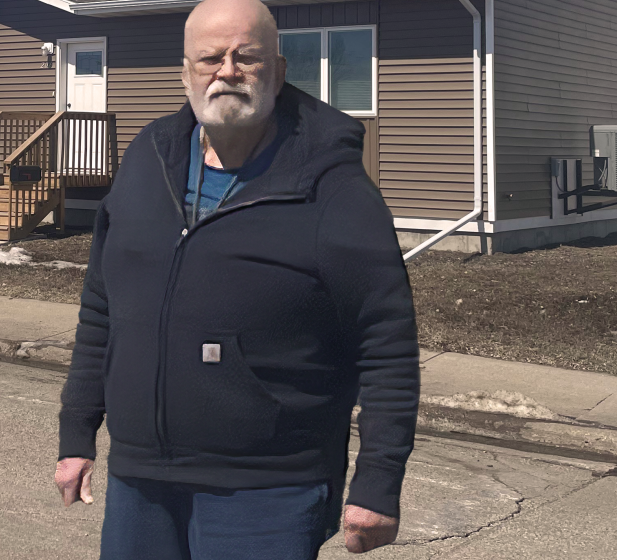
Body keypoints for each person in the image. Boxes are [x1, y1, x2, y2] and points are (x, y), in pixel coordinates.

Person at [54, 0, 420, 558]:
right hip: (141, 480)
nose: (227, 71)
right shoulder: (147, 161)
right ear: (185, 73)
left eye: (246, 57)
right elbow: (103, 307)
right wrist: (77, 434)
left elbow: (386, 341)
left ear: (277, 70)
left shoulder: (333, 188)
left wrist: (378, 482)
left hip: (268, 486)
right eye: (209, 58)